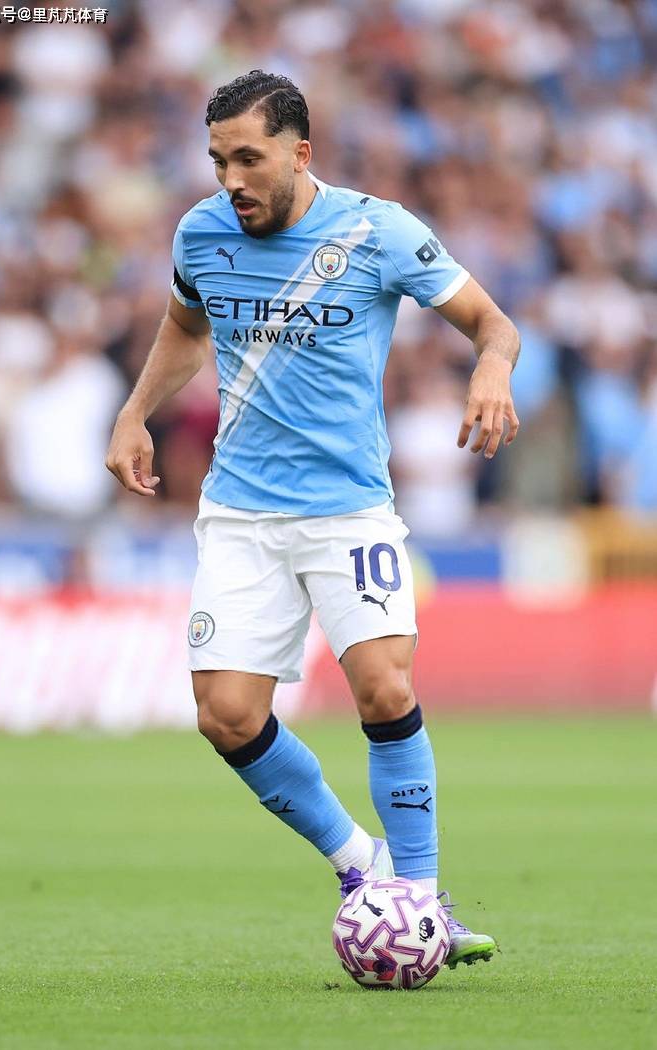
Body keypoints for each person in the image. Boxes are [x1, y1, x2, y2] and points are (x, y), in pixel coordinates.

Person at [106, 70, 520, 969]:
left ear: (299, 153)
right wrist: (136, 412)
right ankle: (361, 865)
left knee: (385, 690)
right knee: (225, 716)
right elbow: (186, 327)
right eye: (218, 160)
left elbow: (493, 323)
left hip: (348, 512)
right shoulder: (201, 232)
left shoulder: (379, 231)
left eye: (248, 159)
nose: (231, 180)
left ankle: (419, 902)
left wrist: (492, 369)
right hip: (241, 515)